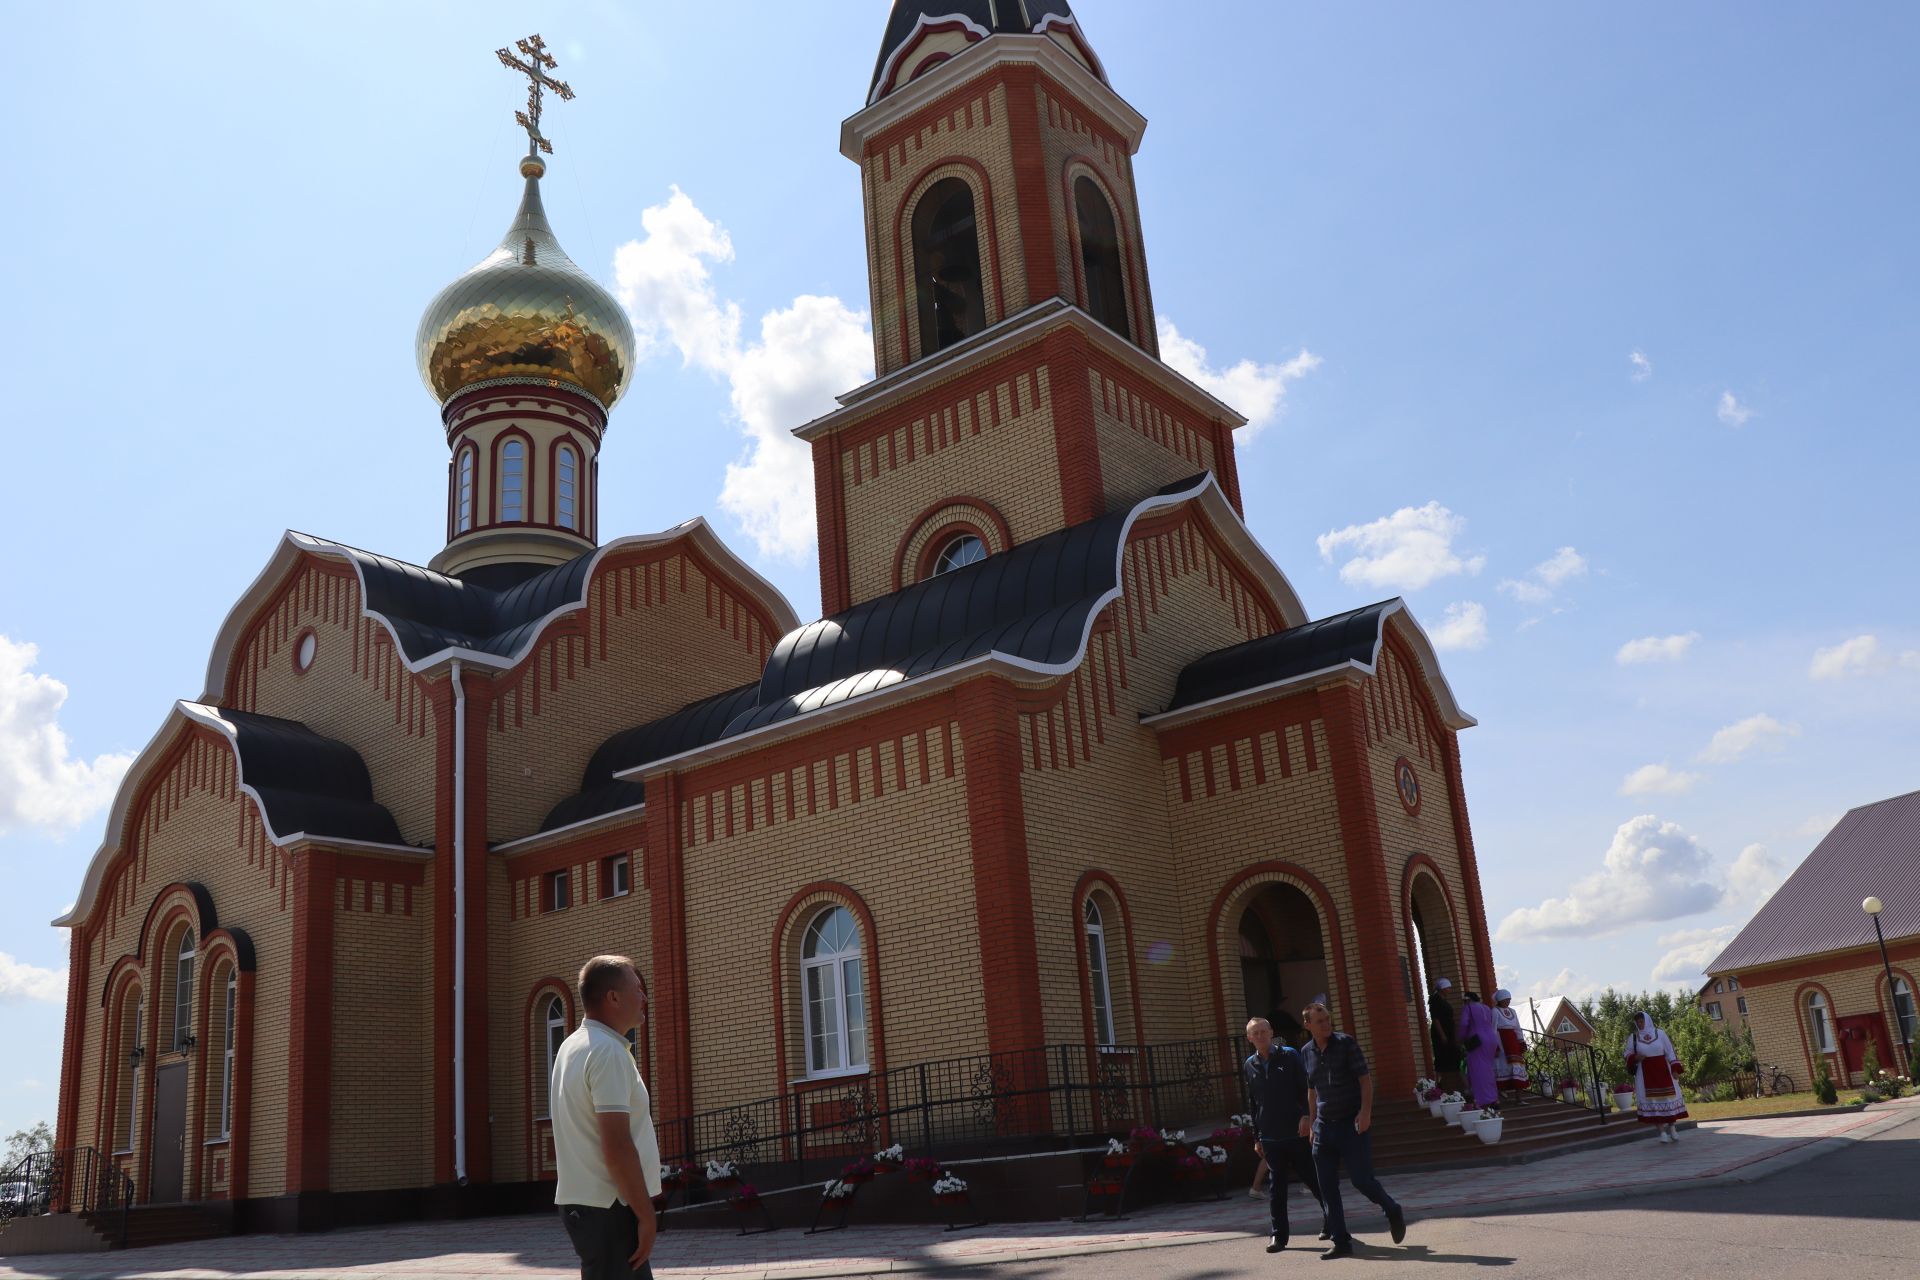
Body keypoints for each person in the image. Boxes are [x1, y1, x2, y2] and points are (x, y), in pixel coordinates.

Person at [551, 955, 662, 1279]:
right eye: (637, 989)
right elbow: (617, 1146)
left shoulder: (571, 1047)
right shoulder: (608, 1052)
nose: (644, 997)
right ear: (613, 997)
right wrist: (646, 1215)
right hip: (611, 1208)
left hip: (583, 1205)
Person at [1300, 1002, 1406, 1260]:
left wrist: (1365, 1112)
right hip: (1323, 1128)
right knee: (1327, 1187)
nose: (1326, 1024)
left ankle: (1391, 1209)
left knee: (1361, 1180)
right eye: (1320, 1021)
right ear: (1308, 1025)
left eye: (1327, 1019)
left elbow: (1364, 1080)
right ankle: (1341, 1241)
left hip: (1351, 1124)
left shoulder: (1346, 1044)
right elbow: (1312, 1090)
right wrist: (1313, 1122)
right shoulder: (1306, 1052)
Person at [1244, 1016, 1328, 1253]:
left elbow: (1307, 1087)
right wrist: (1256, 1137)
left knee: (1312, 1179)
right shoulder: (1249, 1064)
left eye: (1263, 1031)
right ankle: (1278, 1236)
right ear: (1250, 1038)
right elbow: (1253, 1102)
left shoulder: (1290, 1055)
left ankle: (1331, 1220)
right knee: (1276, 1187)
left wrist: (1306, 1116)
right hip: (1270, 1136)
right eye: (1255, 1033)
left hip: (1296, 1130)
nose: (1260, 1036)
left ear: (1271, 1032)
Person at [1624, 1010, 1689, 1143]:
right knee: (1653, 1103)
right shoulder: (1634, 1037)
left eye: (1641, 1021)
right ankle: (1662, 1133)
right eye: (1637, 1022)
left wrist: (1675, 1068)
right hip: (1645, 1074)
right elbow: (1627, 1053)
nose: (1640, 1024)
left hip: (1663, 1071)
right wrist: (1635, 1057)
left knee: (1668, 1100)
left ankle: (1672, 1129)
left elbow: (1670, 1051)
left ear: (1647, 1020)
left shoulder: (1660, 1034)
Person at [1457, 990, 1499, 1109]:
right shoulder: (1486, 1008)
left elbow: (1464, 1024)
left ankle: (1482, 1100)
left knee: (1477, 1069)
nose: (1463, 1003)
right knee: (1488, 1068)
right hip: (1491, 1039)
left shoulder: (1468, 1007)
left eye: (1464, 1001)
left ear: (1468, 1000)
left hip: (1477, 1041)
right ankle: (1493, 1098)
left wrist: (1460, 1038)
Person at [1490, 990, 1529, 1104]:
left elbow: (1517, 1027)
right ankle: (1500, 1091)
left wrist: (1521, 1041)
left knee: (1517, 1068)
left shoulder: (1513, 1011)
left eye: (1509, 1000)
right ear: (1500, 1000)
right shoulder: (1495, 1011)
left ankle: (1519, 1098)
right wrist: (1494, 1046)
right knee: (1502, 1067)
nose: (1508, 1002)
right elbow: (1492, 1029)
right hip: (1501, 1042)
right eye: (1506, 1000)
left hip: (1513, 1043)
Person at [1428, 979, 1463, 1093]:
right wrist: (1442, 1035)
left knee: (1451, 1057)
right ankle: (1439, 1083)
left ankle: (1450, 1083)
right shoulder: (1435, 1000)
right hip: (1441, 1034)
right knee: (1441, 1057)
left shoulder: (1443, 1000)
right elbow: (1436, 1019)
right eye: (1448, 988)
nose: (1449, 990)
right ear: (1442, 989)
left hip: (1448, 1033)